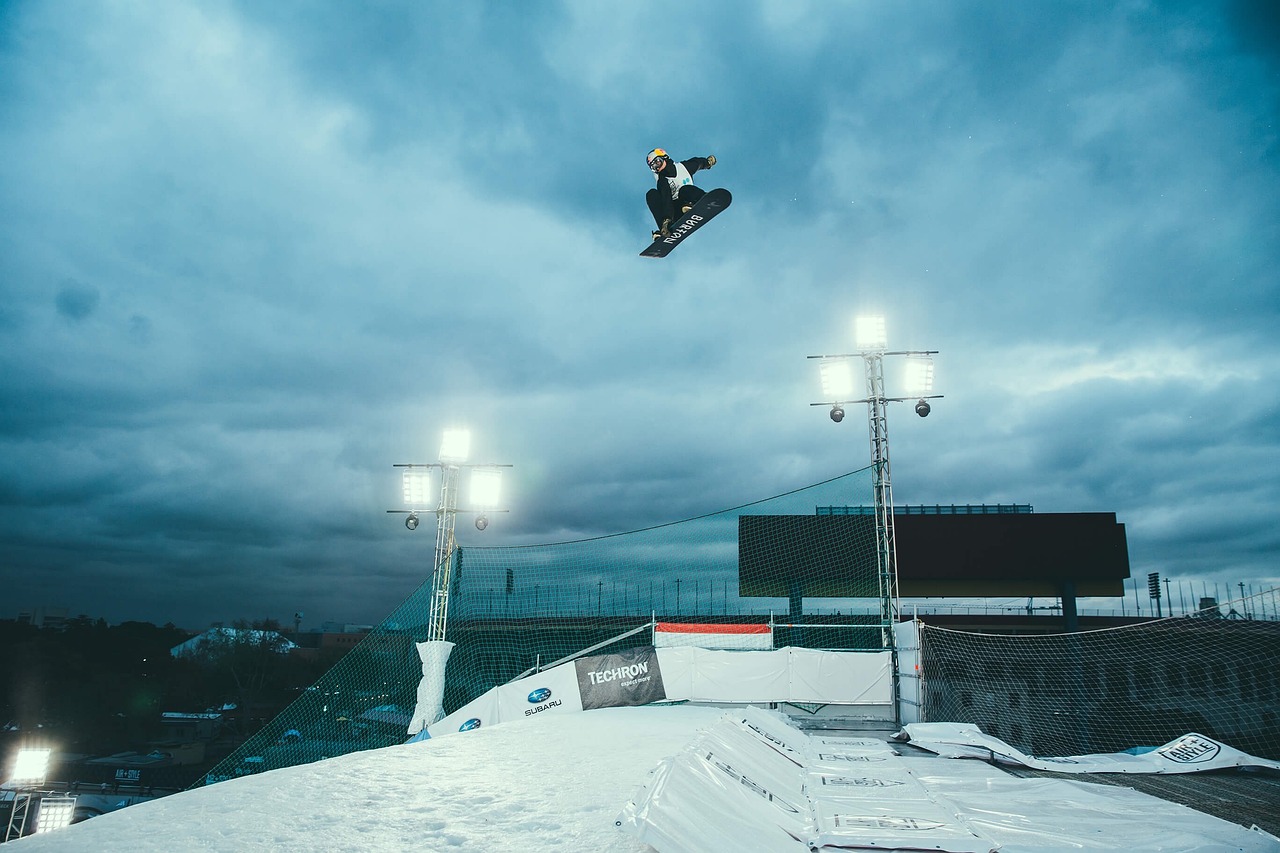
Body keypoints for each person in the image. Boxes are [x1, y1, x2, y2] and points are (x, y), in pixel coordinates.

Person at [646, 148, 717, 239]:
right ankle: (666, 228)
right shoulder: (662, 181)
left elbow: (698, 163)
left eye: (658, 163)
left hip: (689, 200)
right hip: (674, 212)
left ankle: (704, 200)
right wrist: (666, 220)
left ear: (665, 157)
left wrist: (708, 162)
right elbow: (666, 200)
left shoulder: (683, 167)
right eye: (653, 167)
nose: (657, 168)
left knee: (684, 190)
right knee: (651, 194)